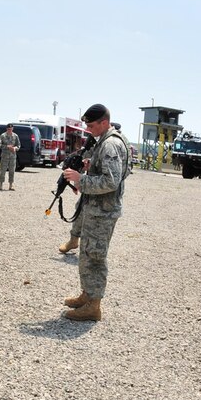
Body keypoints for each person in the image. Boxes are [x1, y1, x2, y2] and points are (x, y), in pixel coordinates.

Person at [61, 104, 129, 322]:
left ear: (104, 122)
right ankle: (87, 294)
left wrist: (82, 180)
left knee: (95, 257)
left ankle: (94, 306)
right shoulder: (111, 140)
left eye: (91, 125)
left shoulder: (110, 144)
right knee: (88, 253)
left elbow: (111, 181)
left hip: (103, 211)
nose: (88, 129)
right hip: (99, 209)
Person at [0, 123, 21, 191]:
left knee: (12, 171)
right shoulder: (3, 135)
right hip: (5, 156)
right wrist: (7, 146)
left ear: (12, 129)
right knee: (3, 170)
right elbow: (0, 145)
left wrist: (15, 148)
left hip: (12, 156)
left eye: (10, 129)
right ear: (6, 129)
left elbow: (19, 145)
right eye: (8, 129)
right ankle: (1, 184)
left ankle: (11, 185)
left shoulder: (15, 136)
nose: (9, 130)